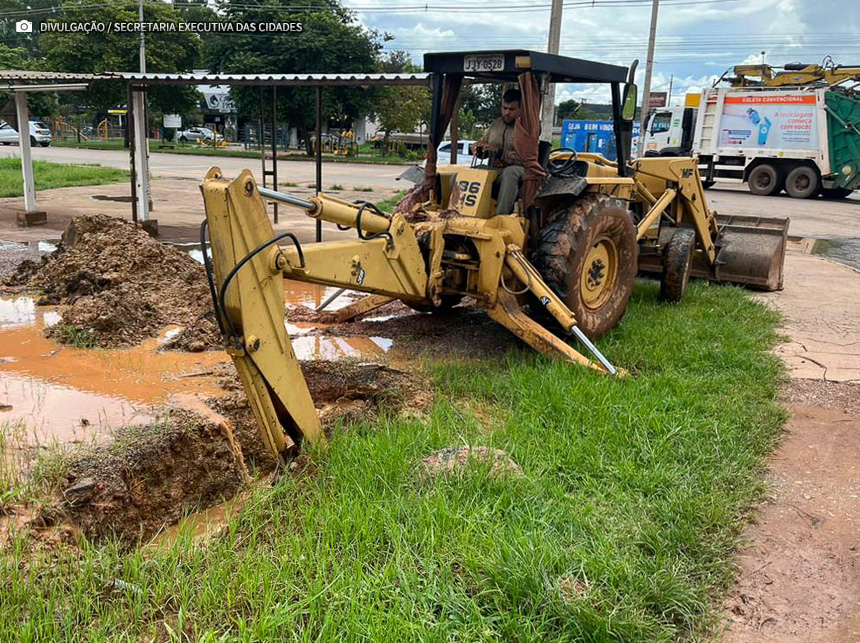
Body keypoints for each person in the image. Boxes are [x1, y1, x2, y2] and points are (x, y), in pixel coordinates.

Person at [470, 88, 524, 215]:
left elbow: (526, 158)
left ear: (520, 110)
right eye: (504, 108)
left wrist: (500, 152)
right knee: (473, 170)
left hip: (521, 169)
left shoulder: (526, 129)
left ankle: (501, 216)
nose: (506, 113)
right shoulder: (495, 125)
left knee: (510, 173)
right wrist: (479, 149)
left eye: (511, 110)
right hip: (495, 169)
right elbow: (485, 144)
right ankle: (465, 211)